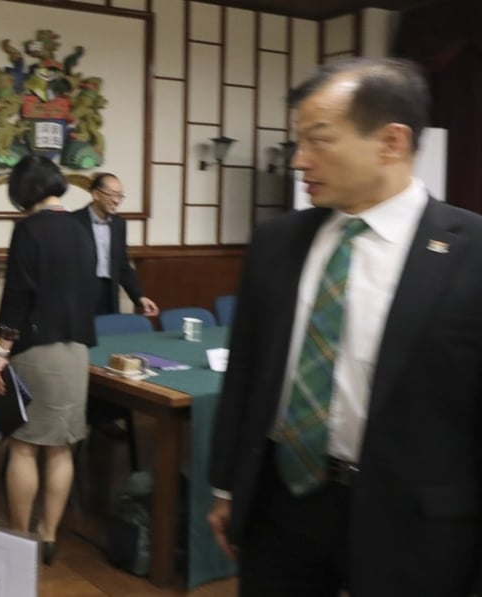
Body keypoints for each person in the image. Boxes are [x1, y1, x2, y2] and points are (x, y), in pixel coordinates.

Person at [207, 57, 482, 597]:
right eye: (298, 142)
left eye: (319, 140)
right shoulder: (277, 243)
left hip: (415, 521)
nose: (299, 160)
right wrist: (226, 487)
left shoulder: (471, 253)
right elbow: (245, 377)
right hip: (281, 502)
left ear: (391, 142)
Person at [0, 155, 97, 566]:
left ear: (24, 191)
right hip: (76, 351)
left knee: (23, 447)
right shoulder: (83, 229)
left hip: (37, 349)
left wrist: (2, 352)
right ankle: (48, 536)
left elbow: (18, 296)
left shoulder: (29, 231)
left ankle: (19, 539)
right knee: (61, 448)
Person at [71, 172, 158, 317]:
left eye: (120, 196)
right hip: (80, 293)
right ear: (96, 194)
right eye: (112, 195)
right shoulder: (73, 222)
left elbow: (122, 265)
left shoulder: (119, 224)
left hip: (109, 292)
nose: (116, 201)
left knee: (109, 333)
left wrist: (139, 296)